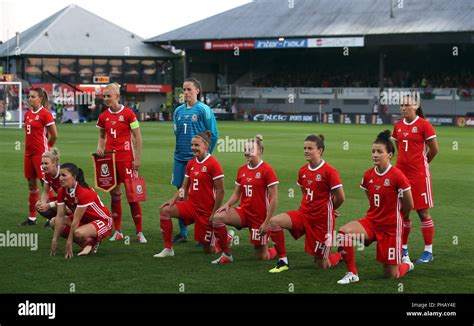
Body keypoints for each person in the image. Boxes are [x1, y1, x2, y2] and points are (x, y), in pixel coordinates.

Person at [336, 131, 414, 284]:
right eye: (373, 151)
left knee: (391, 274)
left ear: (390, 154)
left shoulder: (397, 176)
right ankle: (352, 273)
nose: (375, 155)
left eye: (379, 151)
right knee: (343, 234)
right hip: (372, 222)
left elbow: (409, 204)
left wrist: (397, 217)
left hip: (391, 228)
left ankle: (407, 264)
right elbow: (371, 200)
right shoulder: (367, 176)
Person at [268, 134, 345, 273]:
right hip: (303, 215)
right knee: (274, 222)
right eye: (304, 148)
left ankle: (341, 254)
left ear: (320, 151)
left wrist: (330, 209)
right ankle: (282, 261)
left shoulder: (330, 171)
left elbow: (341, 197)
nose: (306, 151)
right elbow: (305, 192)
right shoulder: (302, 170)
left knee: (321, 264)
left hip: (321, 220)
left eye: (310, 148)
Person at [211, 135, 287, 264]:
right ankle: (227, 254)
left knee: (261, 256)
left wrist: (267, 222)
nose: (247, 152)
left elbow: (274, 198)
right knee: (217, 218)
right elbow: (237, 194)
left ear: (260, 151)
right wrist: (227, 204)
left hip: (260, 217)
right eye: (245, 149)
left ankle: (274, 249)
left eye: (250, 149)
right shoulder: (242, 170)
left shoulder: (267, 170)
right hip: (244, 212)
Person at [153, 131, 227, 258]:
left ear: (206, 146)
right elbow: (184, 187)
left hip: (206, 210)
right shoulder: (191, 163)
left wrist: (214, 213)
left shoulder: (213, 164)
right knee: (165, 210)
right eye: (192, 145)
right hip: (191, 205)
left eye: (196, 145)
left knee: (208, 250)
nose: (193, 148)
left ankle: (226, 238)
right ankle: (168, 248)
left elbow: (221, 191)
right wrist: (174, 199)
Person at [96, 83, 147, 243]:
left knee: (133, 197)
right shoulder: (103, 116)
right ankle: (118, 231)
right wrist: (99, 147)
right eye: (104, 96)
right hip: (110, 160)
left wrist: (137, 159)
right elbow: (102, 135)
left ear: (117, 96)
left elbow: (138, 138)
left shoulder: (129, 114)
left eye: (108, 96)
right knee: (115, 195)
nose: (105, 99)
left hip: (126, 160)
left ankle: (139, 232)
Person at [392, 96, 438, 263]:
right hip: (401, 175)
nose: (403, 108)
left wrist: (422, 165)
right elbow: (399, 150)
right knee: (404, 212)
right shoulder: (398, 126)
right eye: (401, 105)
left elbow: (434, 150)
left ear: (416, 106)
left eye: (407, 105)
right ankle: (403, 248)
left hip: (419, 176)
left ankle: (428, 251)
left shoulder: (424, 125)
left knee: (422, 212)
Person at [171, 78, 218, 244]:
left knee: (200, 198)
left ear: (197, 90)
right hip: (180, 158)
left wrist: (204, 158)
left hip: (197, 161)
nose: (186, 93)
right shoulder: (177, 111)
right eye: (184, 89)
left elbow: (213, 134)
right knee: (181, 195)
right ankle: (183, 233)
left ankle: (203, 232)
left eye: (189, 89)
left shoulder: (204, 110)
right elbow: (176, 133)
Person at [50, 163, 113, 258]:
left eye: (64, 175)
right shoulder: (61, 191)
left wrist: (69, 242)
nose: (60, 178)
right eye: (60, 175)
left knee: (78, 233)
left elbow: (76, 220)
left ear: (73, 177)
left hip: (103, 220)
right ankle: (88, 244)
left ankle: (94, 241)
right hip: (84, 219)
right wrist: (54, 239)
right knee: (53, 222)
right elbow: (60, 215)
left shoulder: (84, 192)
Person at [19, 87, 58, 226]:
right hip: (28, 154)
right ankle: (32, 218)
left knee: (46, 184)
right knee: (31, 185)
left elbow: (54, 135)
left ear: (40, 99)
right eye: (29, 97)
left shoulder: (45, 114)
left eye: (33, 97)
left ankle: (52, 218)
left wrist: (47, 150)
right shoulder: (27, 114)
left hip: (40, 155)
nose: (30, 99)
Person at [35, 148, 72, 227]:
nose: (43, 166)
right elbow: (45, 192)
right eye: (42, 163)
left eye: (46, 163)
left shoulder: (64, 173)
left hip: (72, 201)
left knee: (65, 209)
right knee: (39, 205)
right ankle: (56, 220)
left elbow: (66, 198)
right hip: (62, 200)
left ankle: (68, 220)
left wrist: (48, 205)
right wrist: (43, 204)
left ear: (54, 163)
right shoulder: (47, 173)